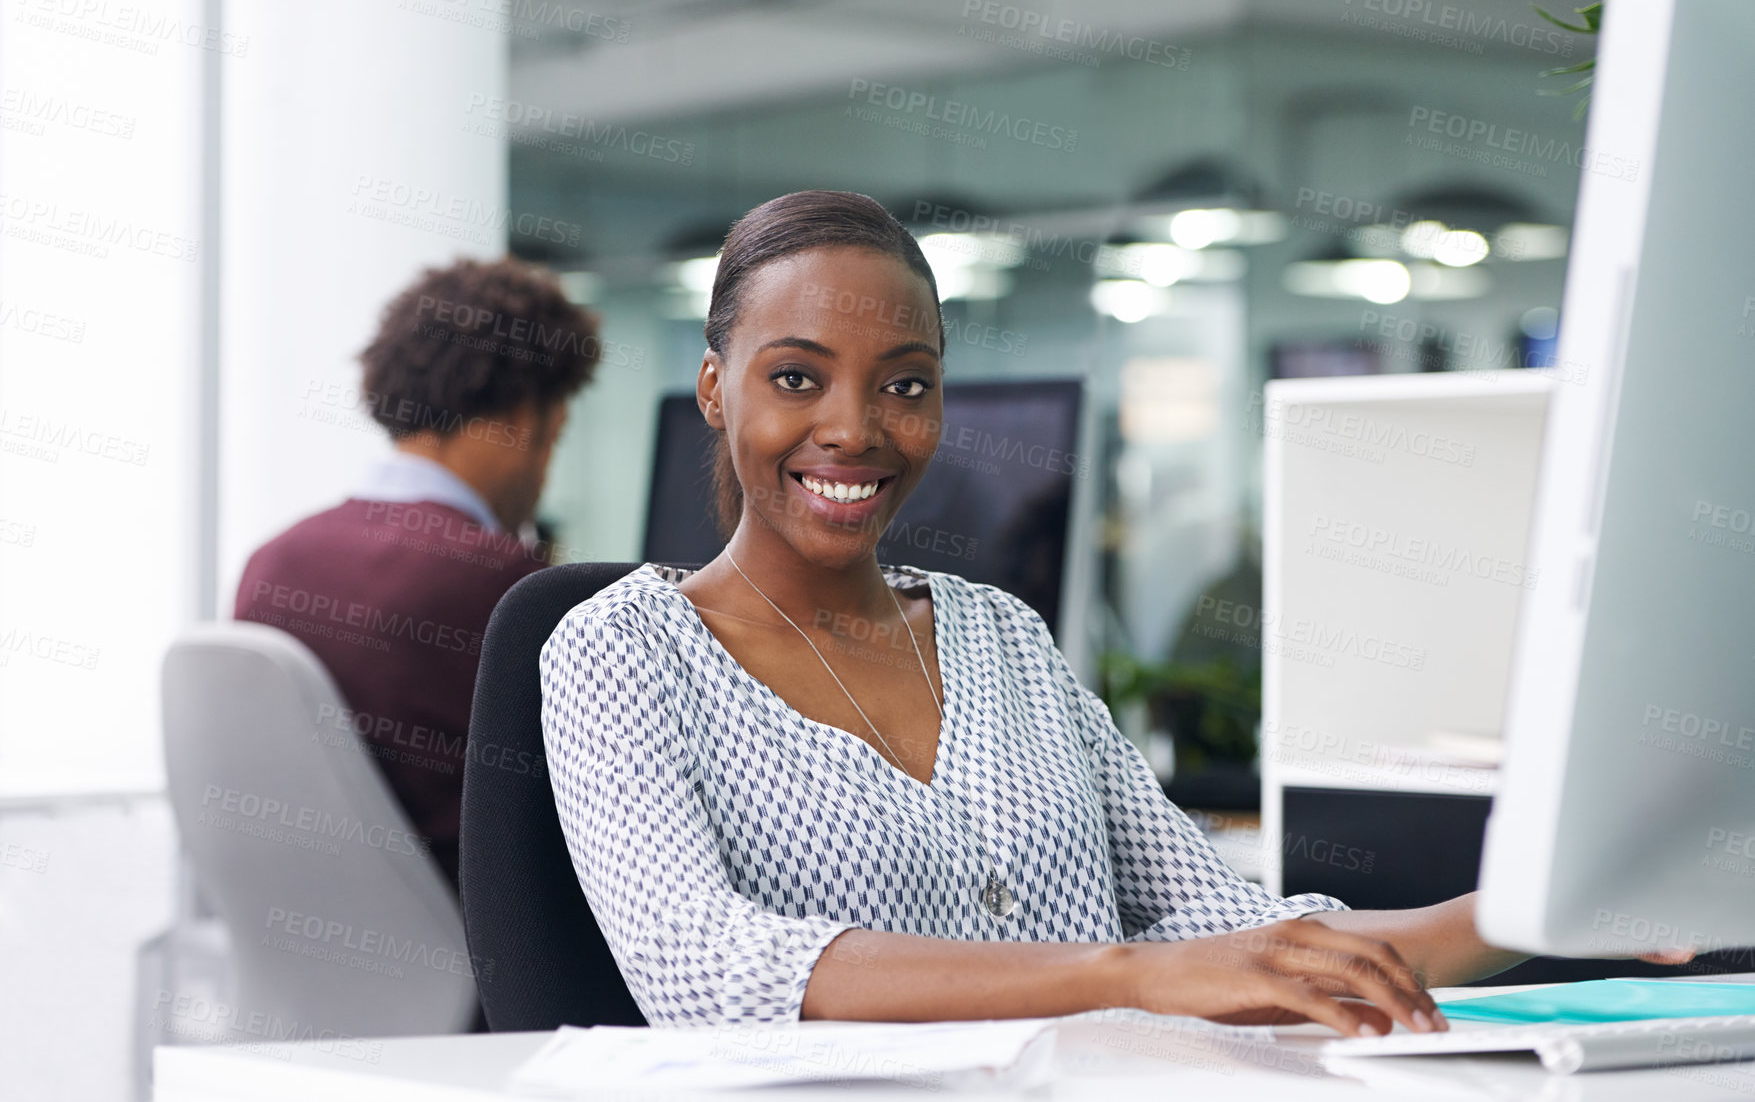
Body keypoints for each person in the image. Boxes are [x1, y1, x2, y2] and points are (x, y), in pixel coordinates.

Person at [537, 191, 1692, 1034]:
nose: (856, 427)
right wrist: (1129, 973)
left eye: (905, 382)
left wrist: (1535, 902)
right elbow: (708, 964)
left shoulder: (1002, 640)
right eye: (797, 376)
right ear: (712, 387)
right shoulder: (620, 652)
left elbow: (1232, 927)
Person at [237, 256, 602, 891]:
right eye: (554, 436)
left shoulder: (272, 560)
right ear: (523, 414)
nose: (544, 468)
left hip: (307, 940)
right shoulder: (503, 583)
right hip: (484, 957)